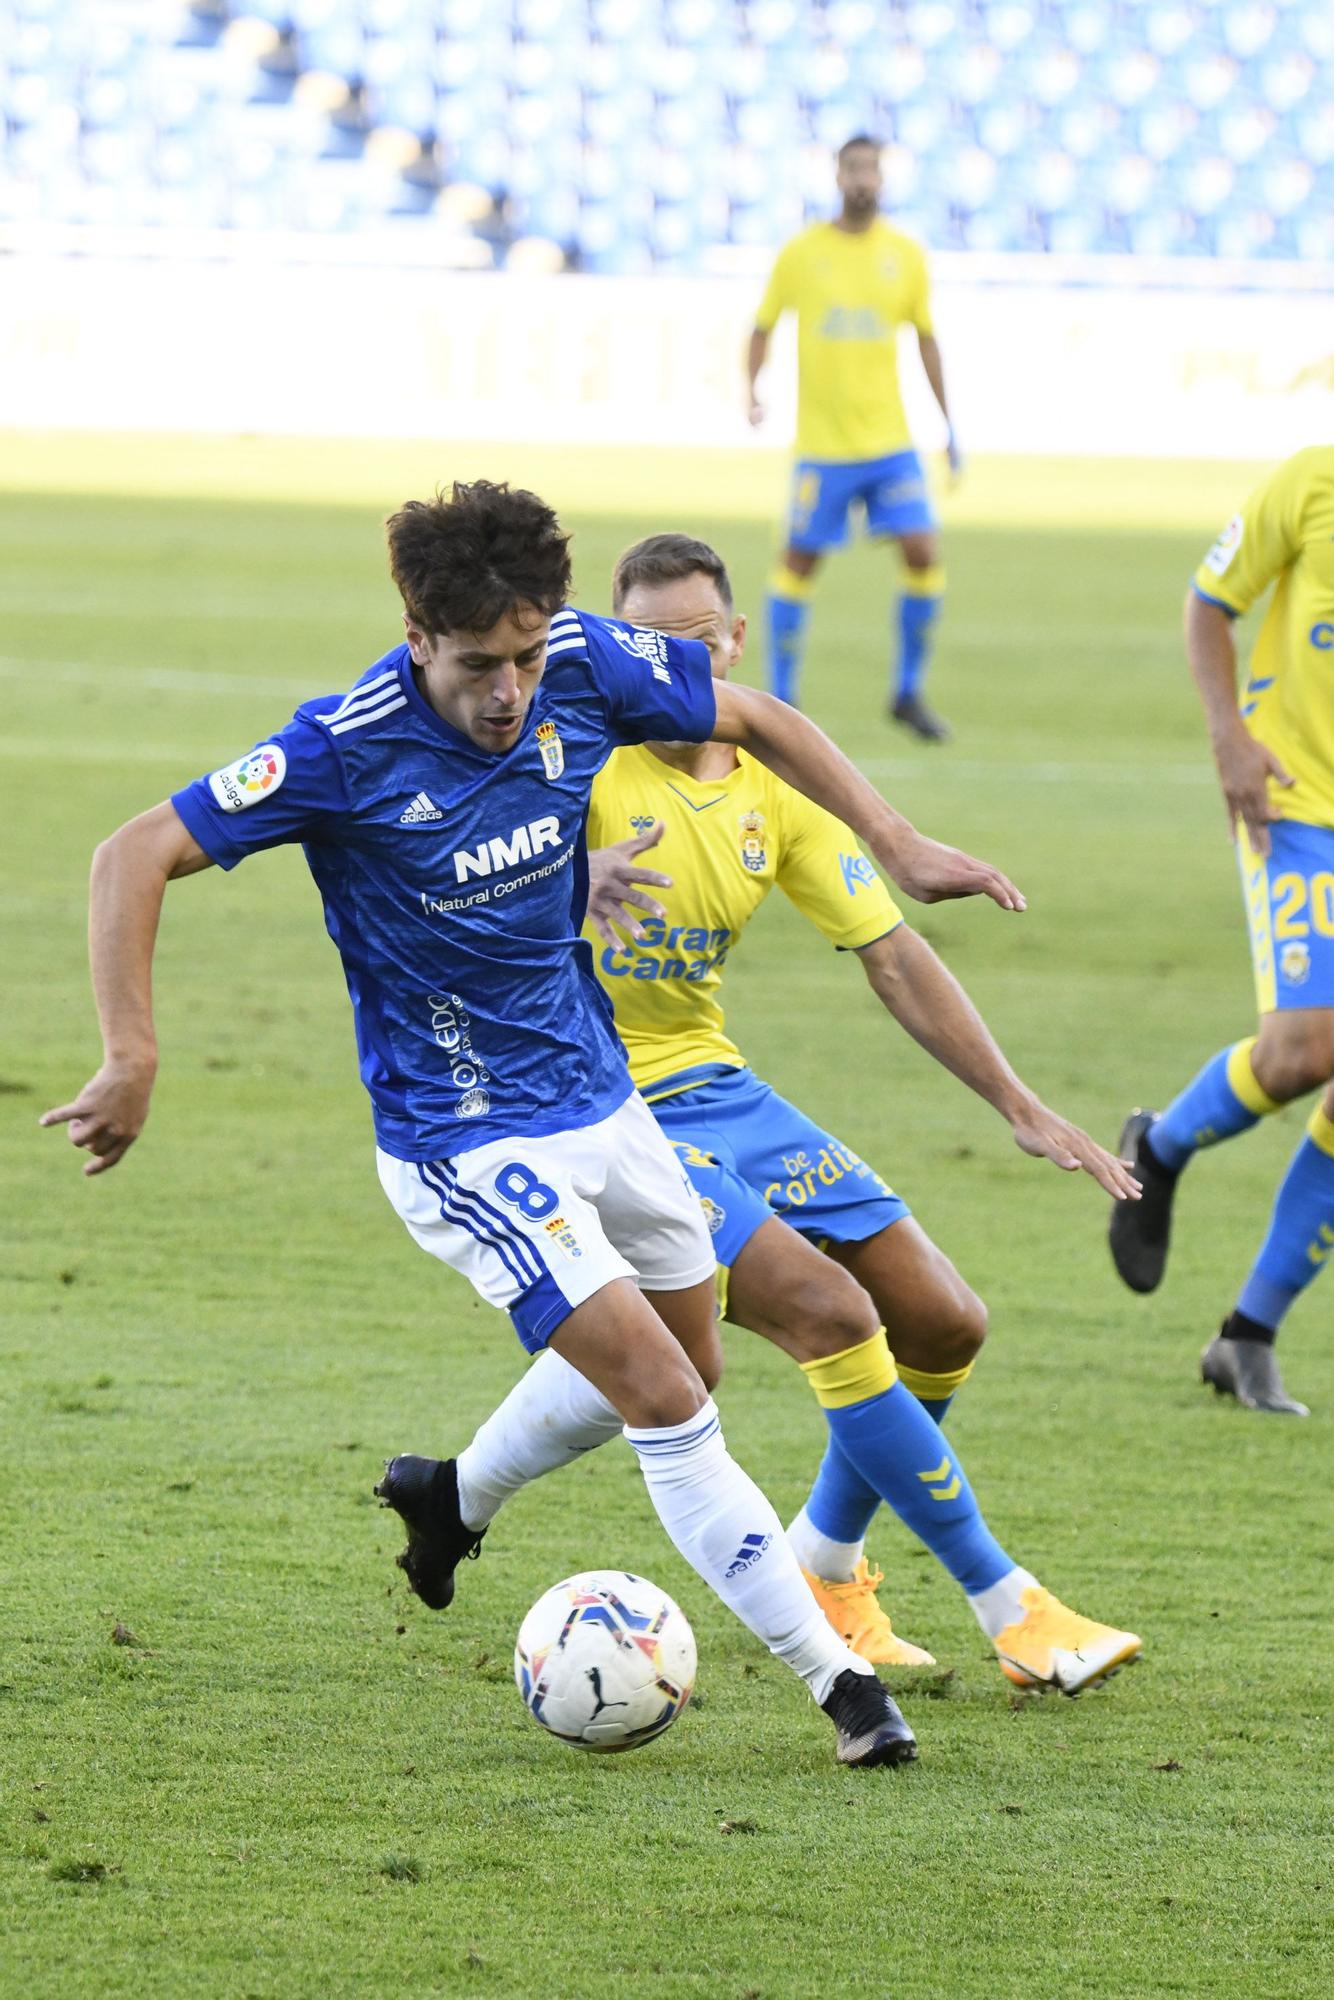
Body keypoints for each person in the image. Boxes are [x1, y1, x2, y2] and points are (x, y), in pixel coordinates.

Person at [42, 480, 1035, 1768]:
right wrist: (133, 1051)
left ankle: (451, 1496)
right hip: (464, 1136)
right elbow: (131, 853)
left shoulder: (582, 657)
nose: (508, 691)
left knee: (686, 1360)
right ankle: (841, 1686)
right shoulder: (341, 746)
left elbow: (752, 711)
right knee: (668, 1393)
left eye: (522, 658)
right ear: (416, 638)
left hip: (601, 1096)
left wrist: (897, 844)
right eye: (476, 666)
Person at [1109, 446, 1334, 1417]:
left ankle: (1244, 1335)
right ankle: (1157, 1147)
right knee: (1302, 1048)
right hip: (1294, 799)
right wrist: (1226, 737)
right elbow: (1209, 603)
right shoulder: (1311, 480)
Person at [747, 133, 959, 740]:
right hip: (823, 449)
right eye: (853, 169)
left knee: (923, 550)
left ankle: (908, 691)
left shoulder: (906, 255)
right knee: (798, 563)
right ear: (837, 178)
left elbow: (925, 337)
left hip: (890, 444)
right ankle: (782, 701)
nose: (863, 179)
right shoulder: (801, 253)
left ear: (883, 180)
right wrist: (752, 390)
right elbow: (762, 327)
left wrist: (947, 424)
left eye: (871, 169)